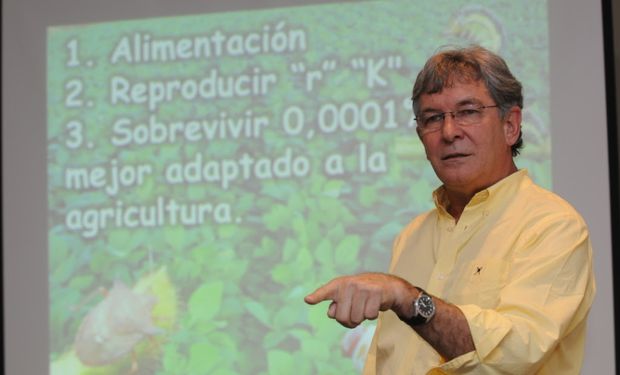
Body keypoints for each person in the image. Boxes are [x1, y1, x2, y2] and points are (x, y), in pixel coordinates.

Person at [304, 45, 596, 374]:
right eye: (432, 118)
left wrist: (410, 300)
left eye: (468, 112)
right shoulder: (412, 235)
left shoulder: (553, 226)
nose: (448, 131)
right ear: (420, 137)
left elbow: (517, 353)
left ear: (510, 125)